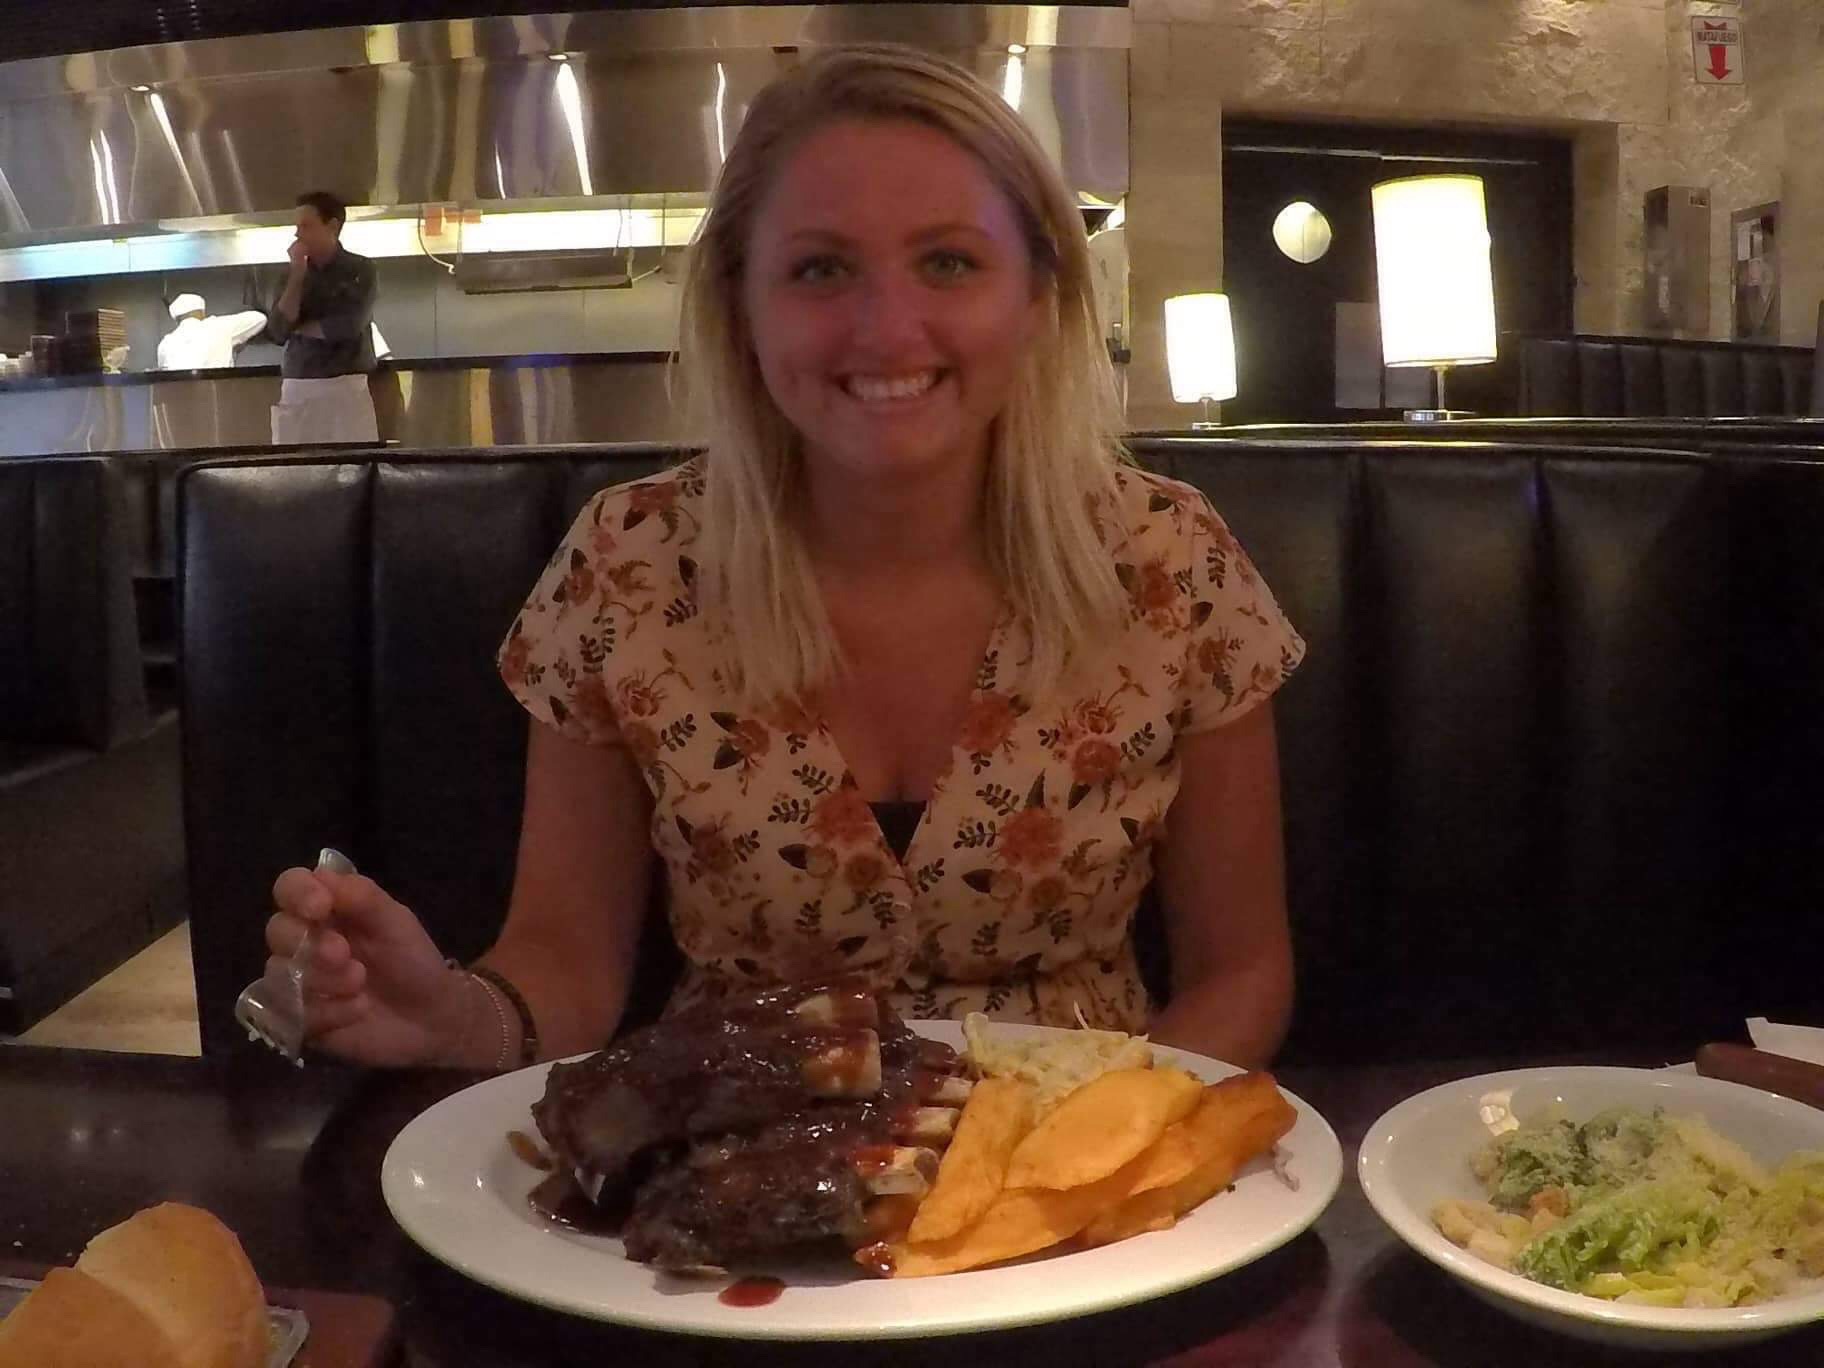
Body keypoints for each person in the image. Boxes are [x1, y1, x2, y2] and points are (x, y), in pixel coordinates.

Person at [263, 45, 1305, 1073]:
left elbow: (1242, 972)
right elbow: (566, 967)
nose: (887, 329)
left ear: (1037, 294)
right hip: (733, 1148)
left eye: (949, 261)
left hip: (1083, 1161)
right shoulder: (626, 563)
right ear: (741, 305)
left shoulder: (1171, 559)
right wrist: (450, 1019)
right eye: (820, 269)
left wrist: (1103, 1145)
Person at [265, 190, 379, 443]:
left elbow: (347, 326)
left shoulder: (360, 269)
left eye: (306, 226)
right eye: (297, 227)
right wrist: (297, 275)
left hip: (346, 386)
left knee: (352, 462)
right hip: (298, 385)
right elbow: (278, 331)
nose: (297, 234)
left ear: (332, 227)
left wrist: (299, 328)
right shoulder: (289, 275)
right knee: (295, 464)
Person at [154, 293, 267, 371]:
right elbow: (260, 318)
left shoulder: (165, 343)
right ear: (202, 312)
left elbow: (164, 375)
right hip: (219, 392)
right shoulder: (220, 325)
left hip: (181, 396)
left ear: (177, 319)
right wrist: (240, 338)